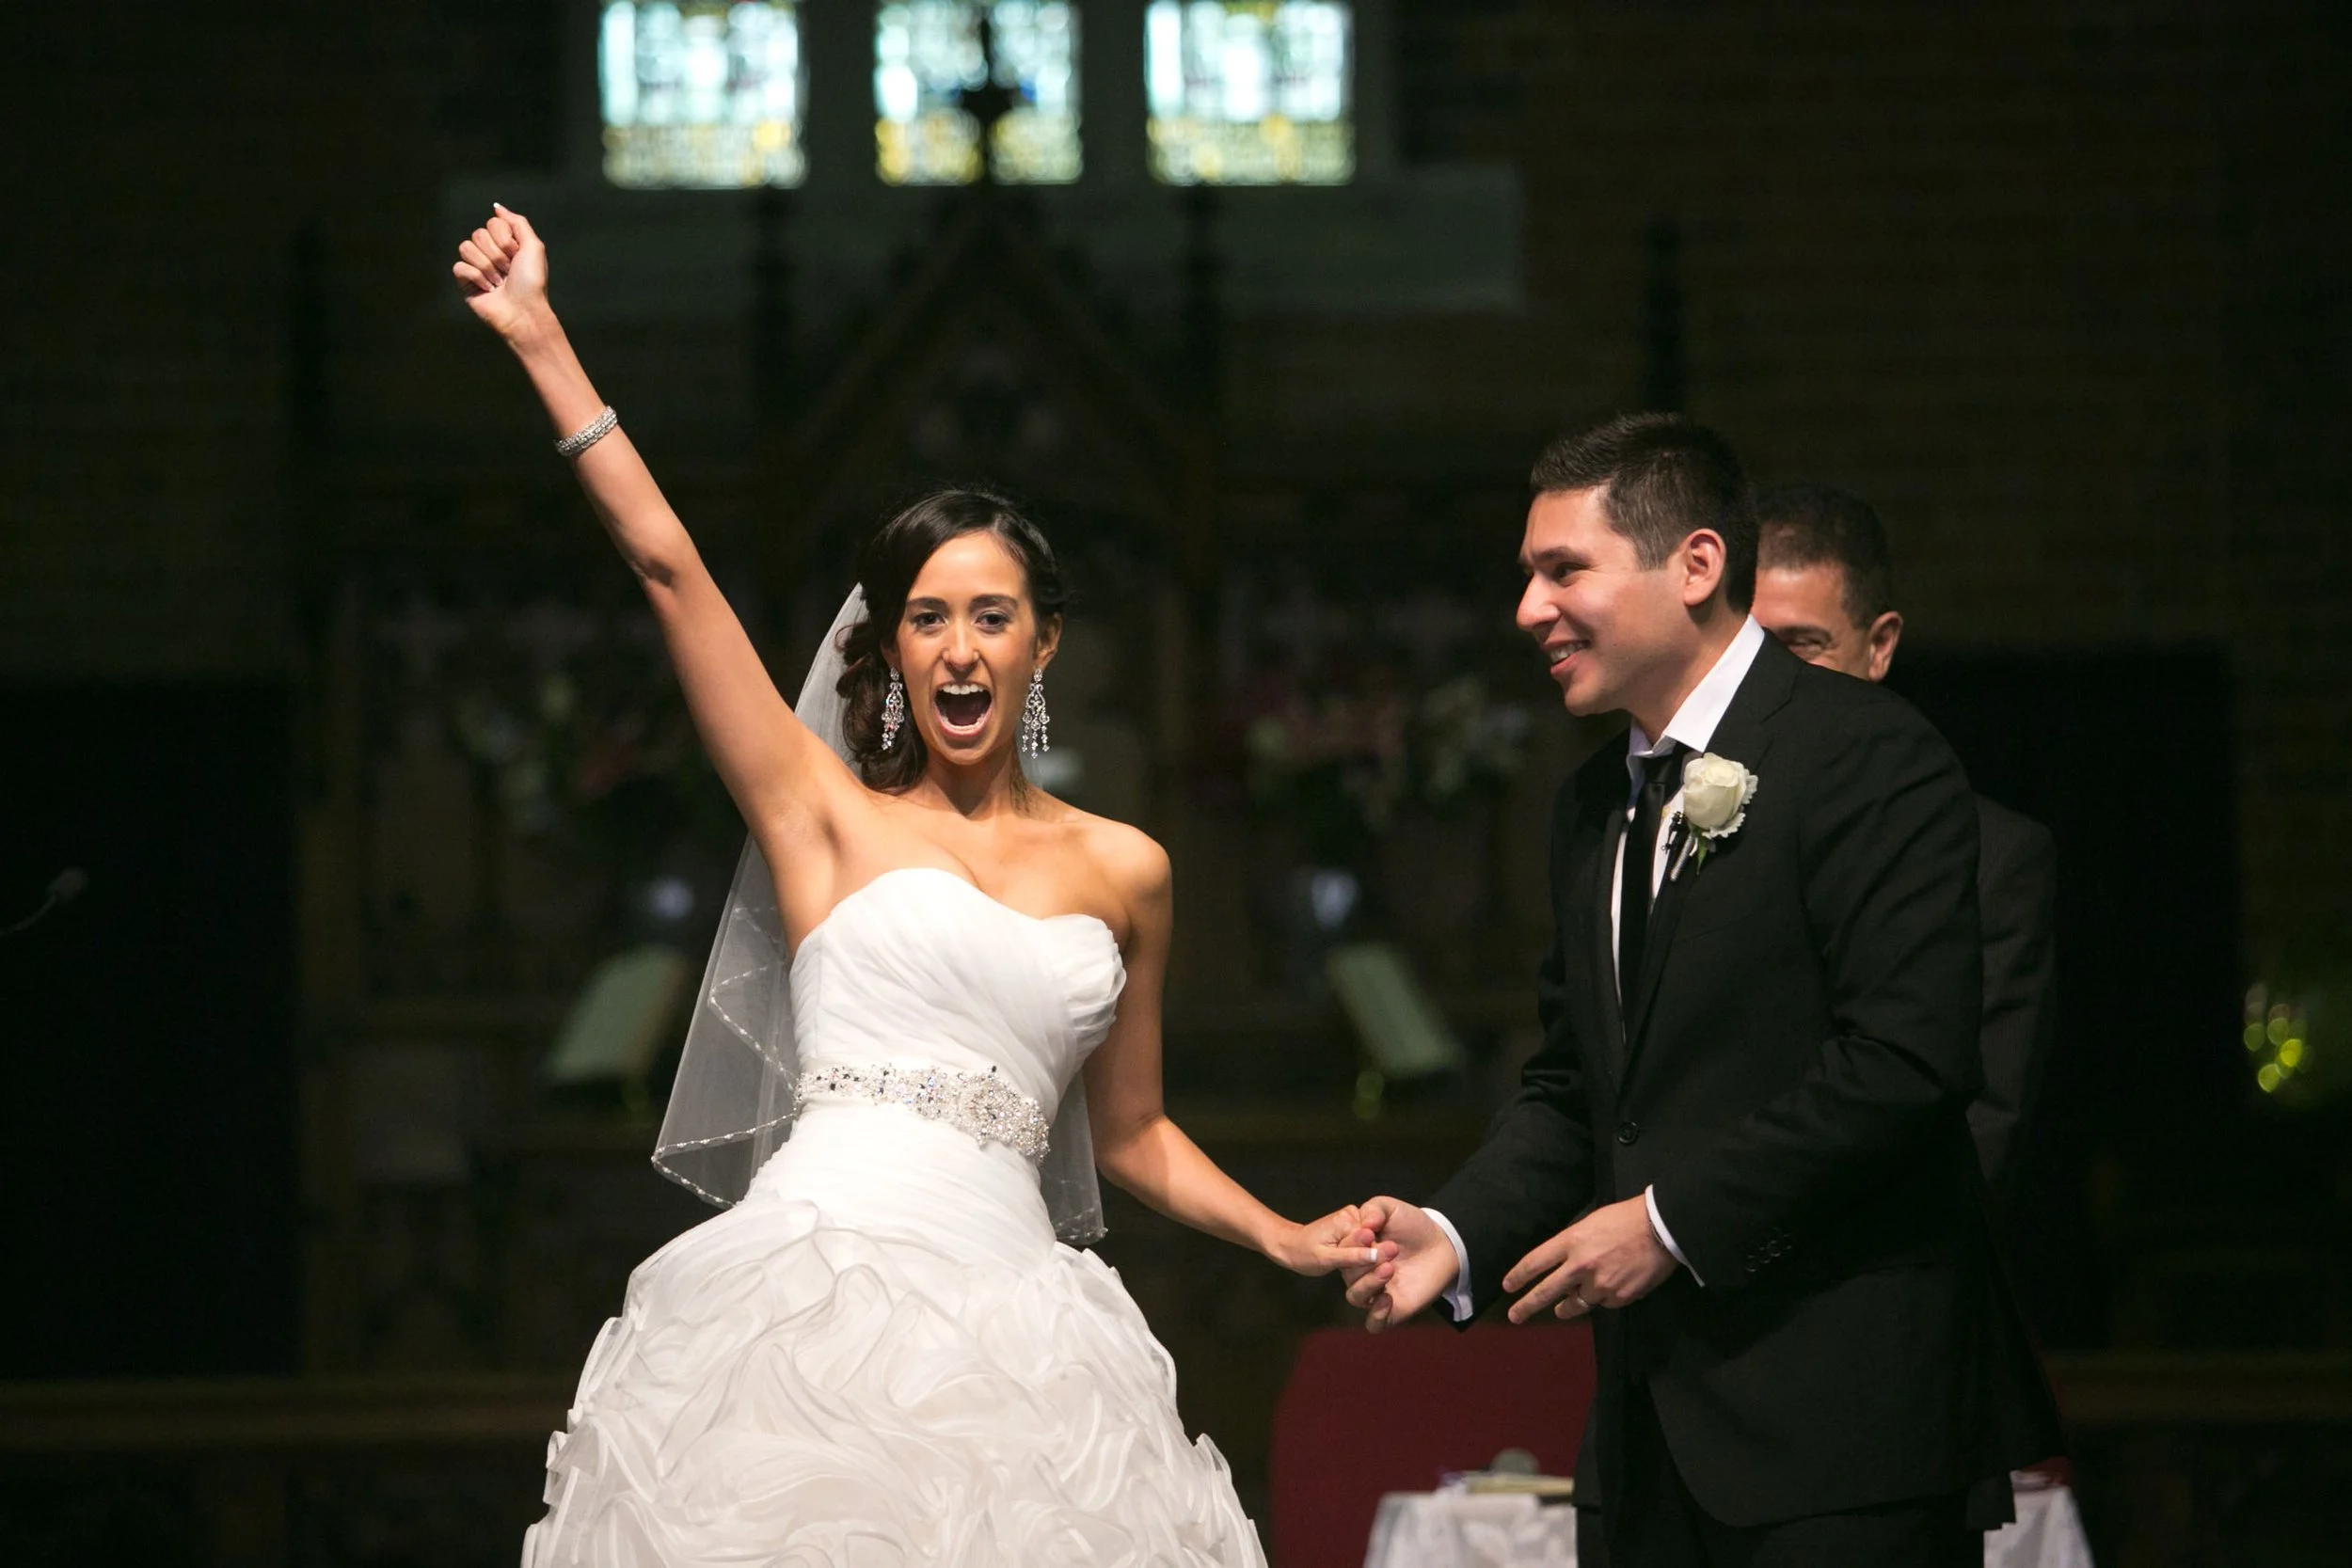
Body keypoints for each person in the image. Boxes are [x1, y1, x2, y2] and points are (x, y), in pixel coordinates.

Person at [452, 206, 1380, 1567]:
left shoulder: (1128, 867)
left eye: (990, 616)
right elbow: (668, 567)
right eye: (927, 617)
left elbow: (1131, 1137)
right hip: (812, 1302)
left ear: (1041, 643)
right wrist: (541, 336)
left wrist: (1288, 1236)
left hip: (1025, 1331)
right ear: (888, 648)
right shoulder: (818, 813)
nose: (957, 647)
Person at [1340, 415, 2061, 1567]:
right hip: (1648, 1437)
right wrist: (1452, 1227)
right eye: (1527, 574)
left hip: (1840, 1435)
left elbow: (1906, 1061)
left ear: (1695, 565)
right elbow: (1583, 1084)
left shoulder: (1866, 752)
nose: (1527, 608)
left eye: (1562, 569)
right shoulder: (1590, 807)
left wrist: (1671, 1221)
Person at [1748, 483, 2058, 1196]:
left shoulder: (1996, 856)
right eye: (1751, 650)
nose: (1771, 682)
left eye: (1802, 645)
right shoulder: (1676, 829)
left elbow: (1978, 1127)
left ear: (1879, 646)